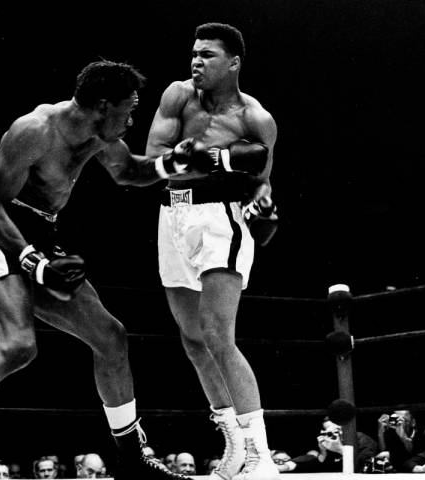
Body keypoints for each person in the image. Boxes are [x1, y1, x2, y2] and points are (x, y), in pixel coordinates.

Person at [0, 59, 211, 480]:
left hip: (38, 230)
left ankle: (130, 458)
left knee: (110, 336)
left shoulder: (99, 134)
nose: (130, 121)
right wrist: (34, 264)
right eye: (127, 110)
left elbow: (128, 171)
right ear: (103, 106)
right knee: (17, 345)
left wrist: (175, 163)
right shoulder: (34, 130)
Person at [145, 22, 279, 480]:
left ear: (234, 62)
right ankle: (235, 442)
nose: (196, 62)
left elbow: (261, 177)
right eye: (194, 54)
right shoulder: (177, 96)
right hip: (173, 216)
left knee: (219, 335)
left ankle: (261, 455)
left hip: (221, 219)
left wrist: (263, 202)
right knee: (193, 339)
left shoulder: (256, 118)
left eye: (207, 55)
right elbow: (155, 156)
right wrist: (217, 159)